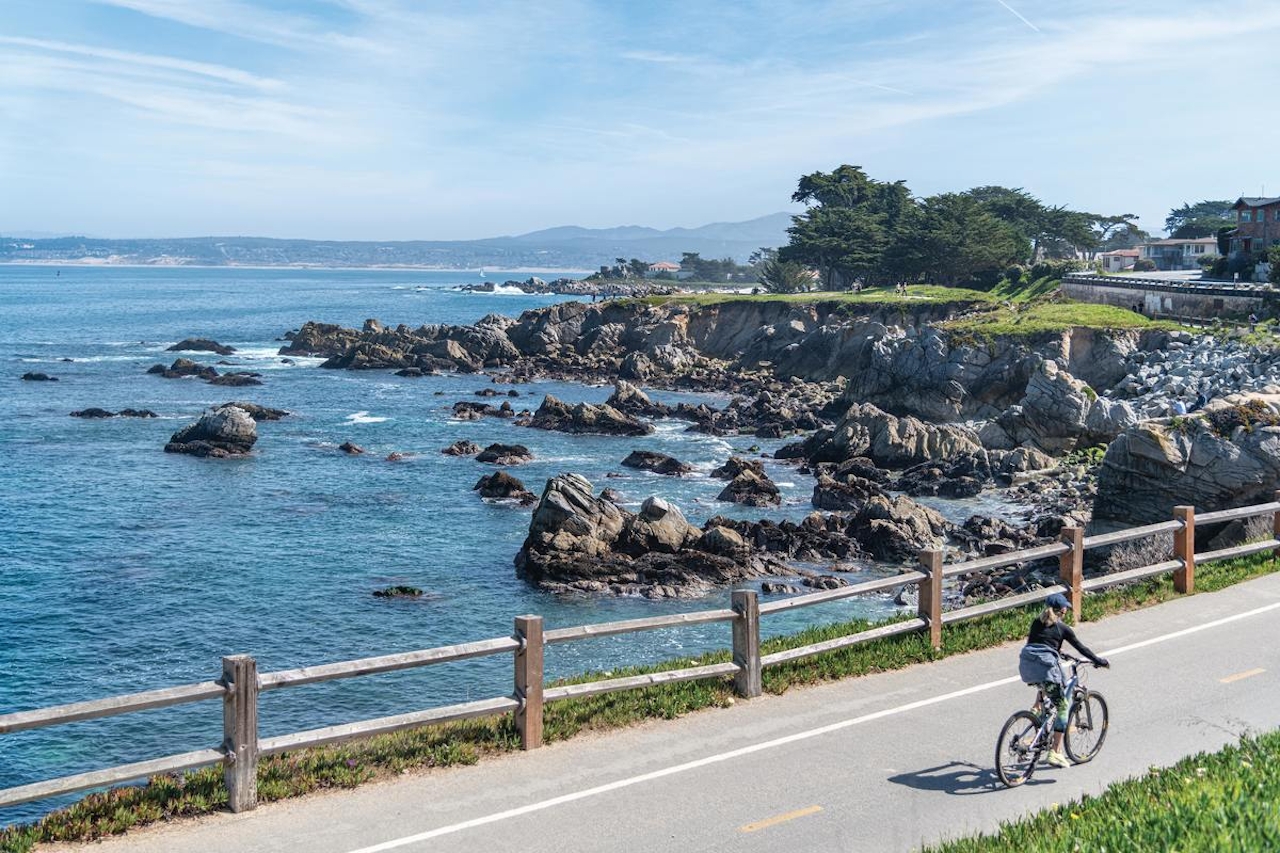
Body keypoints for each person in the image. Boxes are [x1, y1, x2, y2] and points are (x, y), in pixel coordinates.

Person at [1018, 593, 1109, 768]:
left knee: (1046, 682)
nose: (1067, 609)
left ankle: (1037, 709)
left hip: (1027, 668)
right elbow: (1082, 648)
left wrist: (1059, 653)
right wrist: (1099, 661)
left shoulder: (1036, 623)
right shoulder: (1063, 629)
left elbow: (1038, 643)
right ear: (1062, 610)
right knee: (1063, 706)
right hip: (1045, 668)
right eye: (1065, 607)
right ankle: (1056, 751)